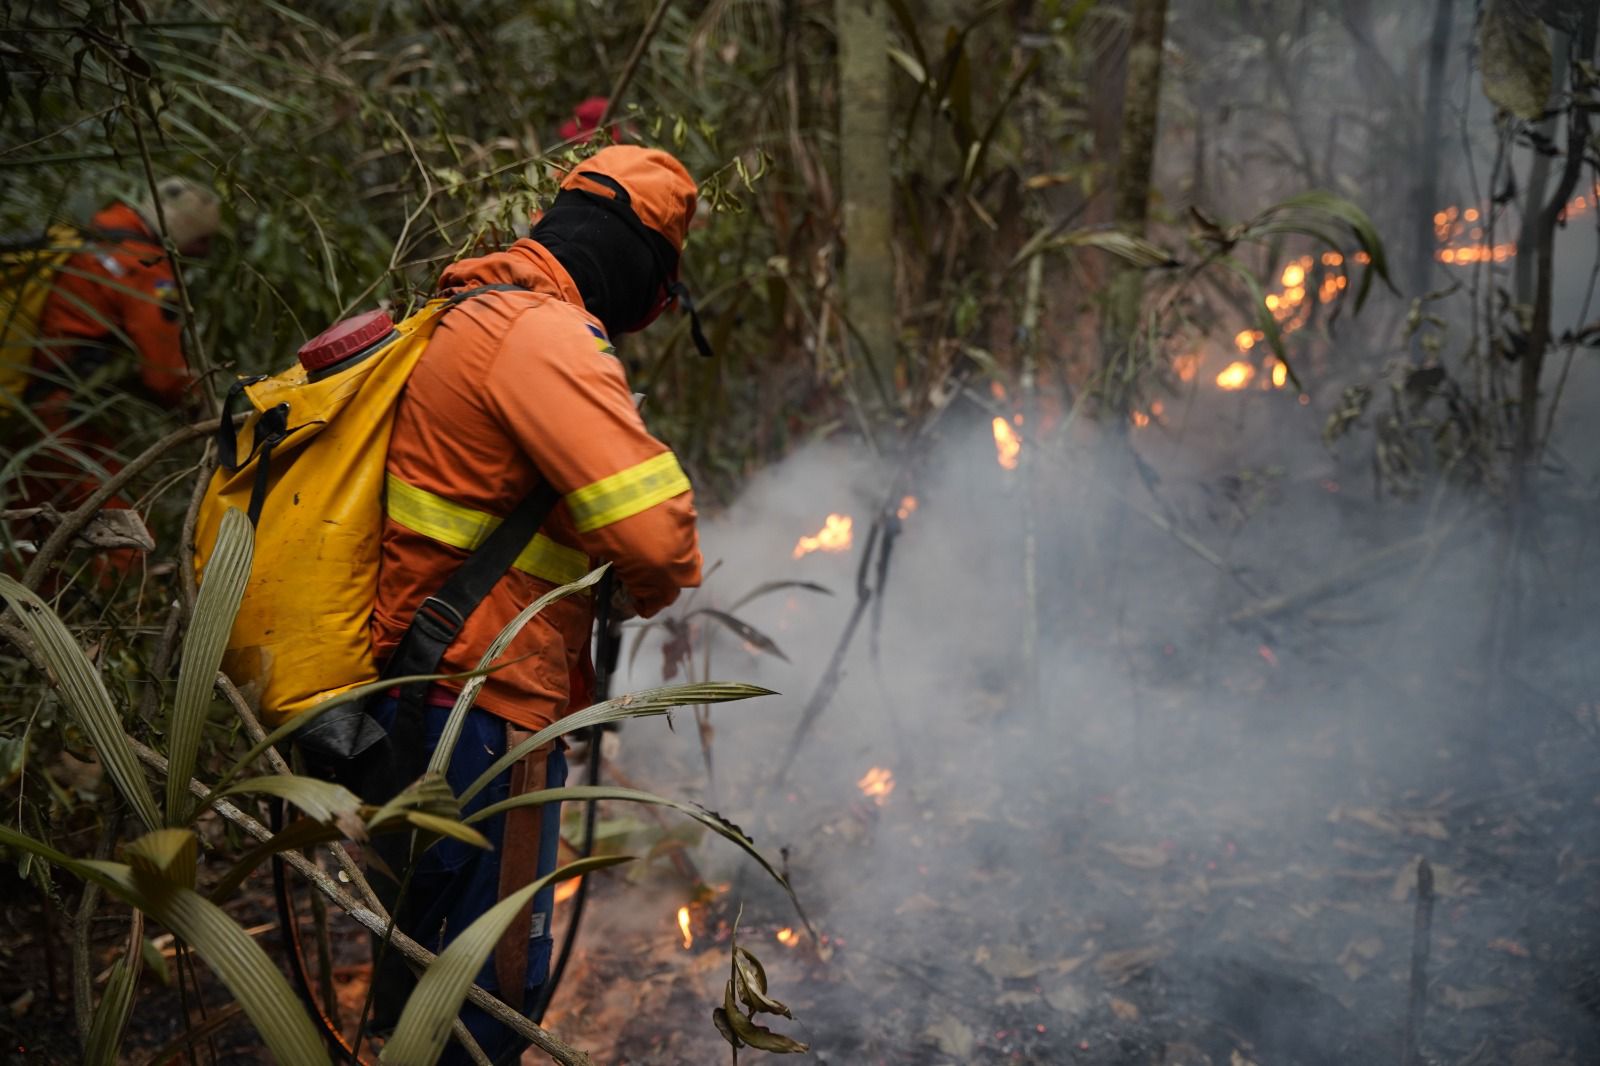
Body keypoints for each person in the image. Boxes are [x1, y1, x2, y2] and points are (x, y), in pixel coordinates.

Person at [368, 144, 703, 1063]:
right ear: (638, 261)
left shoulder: (467, 312)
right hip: (485, 696)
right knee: (488, 984)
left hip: (423, 690)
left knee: (423, 965)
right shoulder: (543, 333)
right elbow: (658, 537)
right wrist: (647, 582)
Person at [3, 177, 218, 568]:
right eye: (202, 242)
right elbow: (164, 375)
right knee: (122, 537)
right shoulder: (143, 265)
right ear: (185, 229)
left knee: (30, 528)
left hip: (31, 410)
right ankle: (120, 612)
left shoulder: (92, 234)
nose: (201, 253)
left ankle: (27, 615)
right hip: (68, 417)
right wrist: (203, 409)